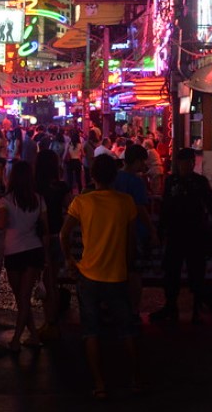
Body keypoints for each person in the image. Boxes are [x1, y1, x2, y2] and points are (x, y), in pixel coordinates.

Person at [60, 154, 145, 401]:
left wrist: (70, 262)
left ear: (92, 176)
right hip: (117, 275)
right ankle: (136, 378)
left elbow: (64, 235)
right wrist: (128, 267)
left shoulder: (81, 202)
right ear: (115, 176)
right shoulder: (126, 203)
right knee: (127, 329)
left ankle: (99, 384)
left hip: (88, 275)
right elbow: (130, 243)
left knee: (91, 331)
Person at [150, 147, 212, 325]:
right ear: (179, 163)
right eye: (184, 162)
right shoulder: (171, 181)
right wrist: (161, 231)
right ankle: (171, 306)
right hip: (176, 234)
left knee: (196, 274)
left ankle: (196, 309)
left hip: (195, 234)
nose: (187, 165)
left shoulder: (199, 182)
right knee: (171, 273)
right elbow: (165, 208)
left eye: (190, 162)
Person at [0, 161, 49, 352]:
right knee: (23, 298)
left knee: (21, 297)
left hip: (13, 251)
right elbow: (45, 229)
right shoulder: (39, 200)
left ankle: (17, 339)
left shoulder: (5, 201)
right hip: (34, 249)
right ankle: (33, 335)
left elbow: (1, 225)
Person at [113, 143, 160, 319]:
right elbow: (141, 209)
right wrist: (152, 230)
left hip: (116, 232)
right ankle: (133, 310)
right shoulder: (136, 181)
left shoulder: (115, 178)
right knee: (134, 273)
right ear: (136, 161)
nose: (144, 166)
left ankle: (119, 308)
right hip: (136, 234)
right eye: (142, 162)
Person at [34, 148, 70, 341]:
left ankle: (48, 322)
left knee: (37, 281)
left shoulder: (34, 186)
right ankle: (51, 320)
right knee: (51, 280)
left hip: (33, 238)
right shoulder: (61, 187)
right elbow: (70, 208)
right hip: (56, 235)